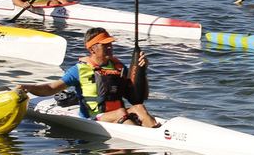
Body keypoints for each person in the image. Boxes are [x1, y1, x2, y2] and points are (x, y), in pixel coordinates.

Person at [19, 28, 158, 127]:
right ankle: (139, 134)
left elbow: (138, 97)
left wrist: (142, 71)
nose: (110, 47)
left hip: (120, 115)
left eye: (110, 43)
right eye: (105, 45)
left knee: (139, 108)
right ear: (92, 49)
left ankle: (154, 133)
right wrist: (30, 87)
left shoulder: (119, 67)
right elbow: (50, 89)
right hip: (93, 118)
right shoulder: (79, 70)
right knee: (121, 112)